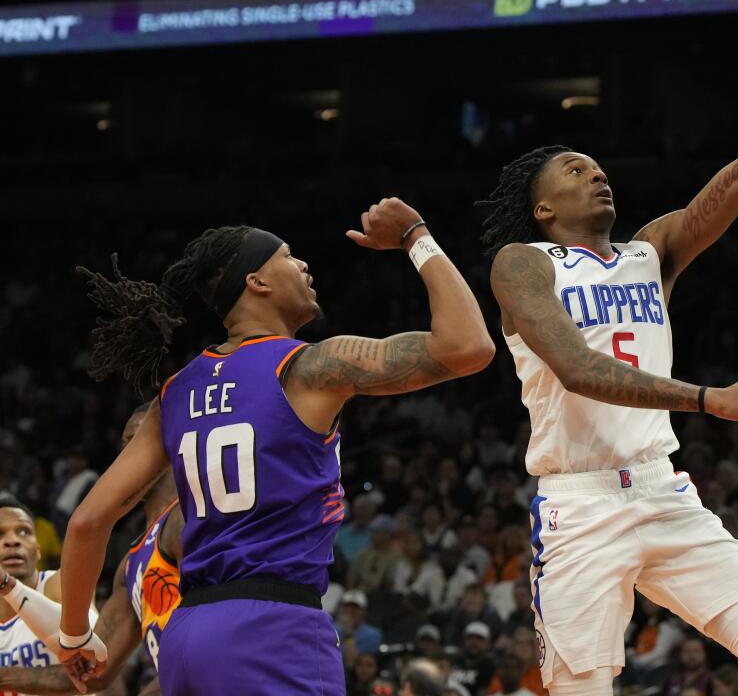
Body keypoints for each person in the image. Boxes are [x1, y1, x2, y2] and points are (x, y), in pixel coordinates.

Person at [479, 0, 738, 696]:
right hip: (580, 506)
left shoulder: (650, 249)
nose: (595, 174)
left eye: (599, 167)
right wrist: (708, 398)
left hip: (666, 493)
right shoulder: (523, 264)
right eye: (573, 169)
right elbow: (576, 369)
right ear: (542, 209)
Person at [57, 199, 495, 695]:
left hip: (186, 635)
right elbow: (469, 347)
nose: (303, 264)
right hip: (274, 629)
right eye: (288, 256)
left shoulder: (174, 392)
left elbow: (87, 522)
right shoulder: (308, 368)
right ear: (256, 282)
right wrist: (416, 236)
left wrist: (74, 635)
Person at [0, 403, 182, 695]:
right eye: (124, 444)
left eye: (137, 439)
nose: (127, 454)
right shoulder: (130, 564)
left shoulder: (193, 519)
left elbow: (219, 639)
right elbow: (91, 671)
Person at [0, 495, 97, 695]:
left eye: (24, 531)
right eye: (0, 534)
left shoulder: (60, 583)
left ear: (38, 549)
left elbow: (89, 648)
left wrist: (7, 585)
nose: (12, 541)